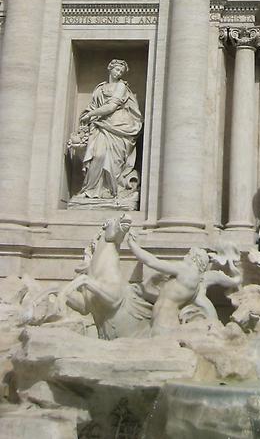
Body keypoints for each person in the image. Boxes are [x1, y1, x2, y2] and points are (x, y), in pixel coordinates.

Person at [125, 233, 239, 336]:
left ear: (194, 258)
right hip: (166, 324)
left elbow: (153, 262)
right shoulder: (196, 284)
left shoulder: (186, 269)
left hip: (163, 323)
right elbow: (168, 297)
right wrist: (144, 293)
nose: (185, 257)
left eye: (188, 254)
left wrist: (132, 245)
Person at [69, 60, 142, 204]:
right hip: (100, 126)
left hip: (118, 126)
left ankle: (111, 191)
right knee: (97, 155)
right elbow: (93, 106)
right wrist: (87, 117)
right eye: (117, 70)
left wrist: (91, 115)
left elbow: (111, 107)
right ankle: (91, 190)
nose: (119, 73)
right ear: (110, 69)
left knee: (112, 160)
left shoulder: (121, 86)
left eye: (121, 71)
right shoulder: (100, 88)